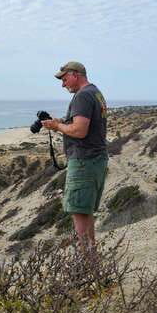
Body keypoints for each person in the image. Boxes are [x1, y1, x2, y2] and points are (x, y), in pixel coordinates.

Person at [41, 61, 108, 252]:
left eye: (64, 79)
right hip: (96, 158)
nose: (63, 84)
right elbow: (85, 122)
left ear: (75, 74)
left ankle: (84, 262)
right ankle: (91, 258)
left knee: (78, 211)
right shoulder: (95, 92)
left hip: (84, 161)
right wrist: (62, 122)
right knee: (85, 211)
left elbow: (79, 131)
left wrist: (57, 127)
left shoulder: (82, 96)